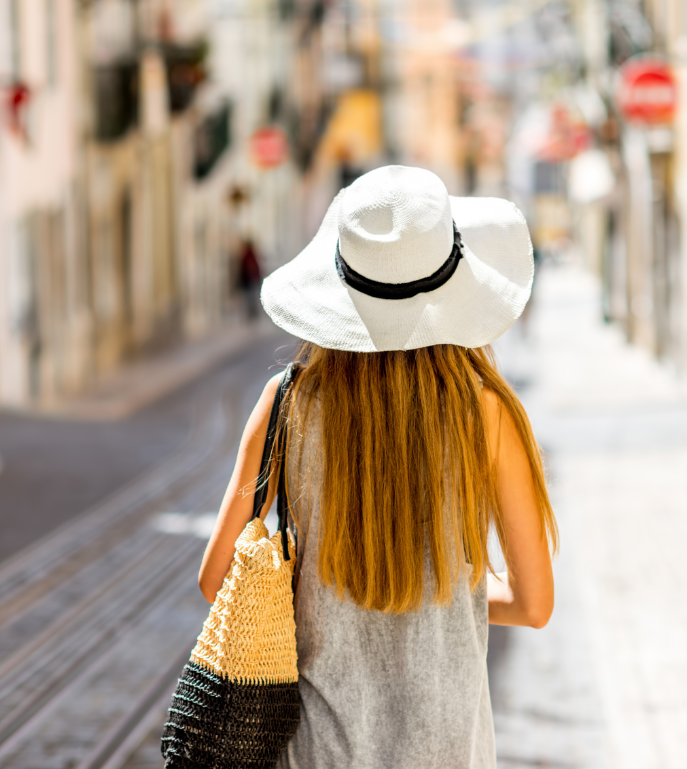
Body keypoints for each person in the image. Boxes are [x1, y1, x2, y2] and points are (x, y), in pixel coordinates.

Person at [198, 165, 558, 768]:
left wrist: (324, 595)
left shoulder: (285, 403)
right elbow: (534, 603)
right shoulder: (489, 414)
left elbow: (217, 581)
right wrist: (445, 594)